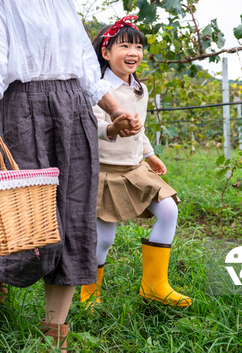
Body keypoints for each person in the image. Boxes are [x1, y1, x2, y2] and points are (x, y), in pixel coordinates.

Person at [0, 0, 141, 351]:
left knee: (75, 216)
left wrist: (115, 111)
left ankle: (53, 334)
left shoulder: (62, 0)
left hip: (73, 110)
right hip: (25, 106)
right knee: (31, 224)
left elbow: (84, 66)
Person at [80, 16, 191, 309]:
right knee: (103, 238)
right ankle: (89, 291)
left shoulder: (139, 89)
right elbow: (91, 126)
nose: (134, 52)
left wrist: (149, 153)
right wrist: (112, 129)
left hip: (134, 168)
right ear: (105, 53)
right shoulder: (99, 88)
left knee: (168, 209)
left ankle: (154, 284)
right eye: (125, 45)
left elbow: (139, 128)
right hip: (105, 171)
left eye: (139, 47)